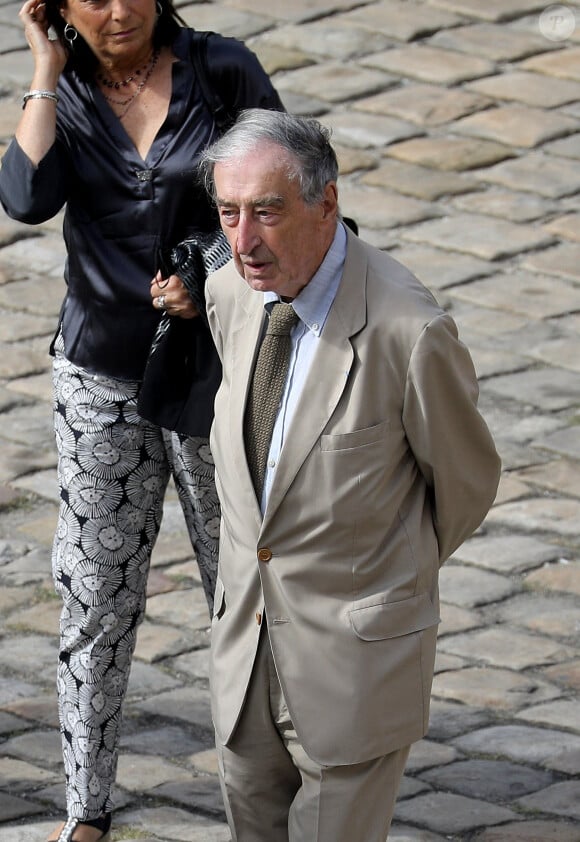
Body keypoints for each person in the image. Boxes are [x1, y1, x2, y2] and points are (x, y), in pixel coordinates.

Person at [0, 1, 283, 839]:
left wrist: (209, 273)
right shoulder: (67, 92)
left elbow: (286, 190)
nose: (117, 11)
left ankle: (264, 803)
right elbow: (23, 196)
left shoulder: (220, 68)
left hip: (211, 373)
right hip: (98, 377)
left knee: (240, 593)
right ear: (58, 8)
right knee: (94, 599)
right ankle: (85, 812)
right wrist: (46, 74)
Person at [198, 109, 502, 842]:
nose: (244, 241)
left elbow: (464, 486)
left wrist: (383, 578)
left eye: (268, 211)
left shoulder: (409, 330)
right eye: (229, 213)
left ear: (326, 202)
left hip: (356, 660)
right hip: (244, 650)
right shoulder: (230, 290)